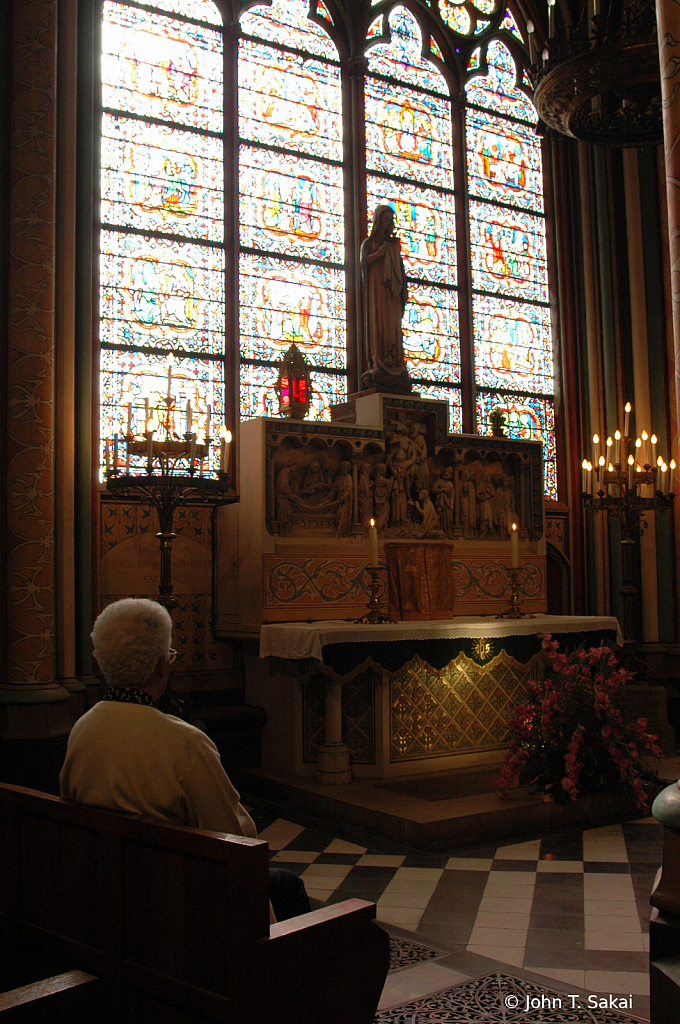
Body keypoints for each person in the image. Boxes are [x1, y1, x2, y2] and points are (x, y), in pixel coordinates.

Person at [60, 598, 310, 923]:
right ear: (162, 665)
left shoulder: (83, 728)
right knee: (287, 884)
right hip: (177, 902)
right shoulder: (184, 741)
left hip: (106, 895)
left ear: (100, 661)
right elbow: (234, 838)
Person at [360, 205, 409, 378]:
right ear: (378, 221)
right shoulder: (369, 243)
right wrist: (379, 254)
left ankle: (394, 358)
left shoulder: (393, 245)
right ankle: (379, 359)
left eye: (389, 221)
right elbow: (363, 263)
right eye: (384, 220)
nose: (386, 224)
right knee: (379, 324)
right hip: (377, 292)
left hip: (391, 293)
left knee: (392, 324)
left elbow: (401, 272)